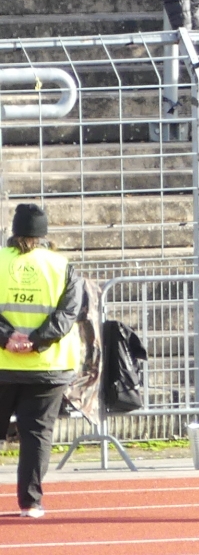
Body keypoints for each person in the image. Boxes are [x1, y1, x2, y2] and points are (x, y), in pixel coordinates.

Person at [0, 203, 82, 520]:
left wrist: (7, 338)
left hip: (3, 365)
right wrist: (35, 341)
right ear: (44, 234)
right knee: (36, 435)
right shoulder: (62, 266)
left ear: (13, 231)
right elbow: (68, 315)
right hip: (48, 367)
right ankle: (31, 503)